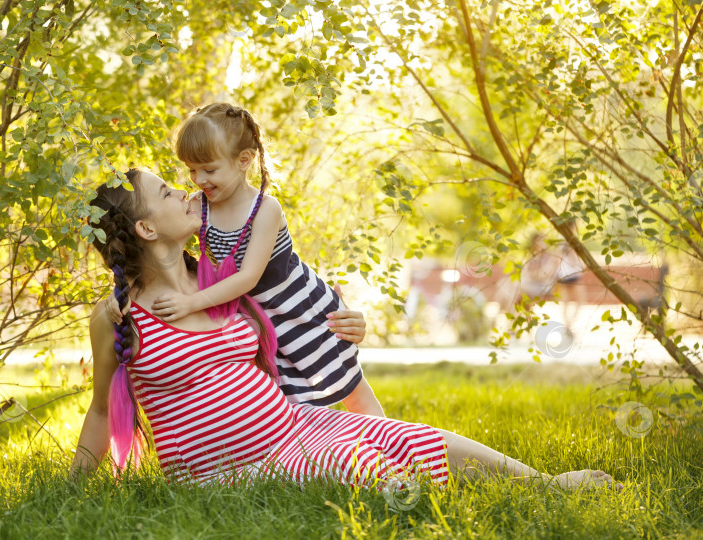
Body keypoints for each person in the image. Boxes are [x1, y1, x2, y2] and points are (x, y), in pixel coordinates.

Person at [72, 169, 621, 493]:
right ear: (146, 229)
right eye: (167, 192)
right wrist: (73, 491)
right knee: (377, 472)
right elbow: (100, 410)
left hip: (291, 426)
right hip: (227, 472)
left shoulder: (224, 276)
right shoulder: (118, 315)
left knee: (407, 437)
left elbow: (299, 307)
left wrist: (347, 321)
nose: (186, 192)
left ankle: (545, 485)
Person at [107, 103, 384, 417]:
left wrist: (192, 303)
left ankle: (388, 442)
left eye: (209, 169)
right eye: (191, 169)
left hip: (296, 307)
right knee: (287, 400)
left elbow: (249, 277)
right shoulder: (198, 208)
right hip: (255, 316)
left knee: (346, 384)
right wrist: (122, 292)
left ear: (244, 160)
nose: (198, 179)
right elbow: (153, 251)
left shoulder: (265, 209)